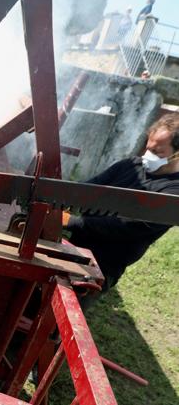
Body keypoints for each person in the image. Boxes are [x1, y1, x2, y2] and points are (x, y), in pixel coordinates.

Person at [64, 114, 179, 300]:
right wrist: (59, 196)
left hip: (101, 266)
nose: (148, 156)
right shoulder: (130, 166)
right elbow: (88, 189)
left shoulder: (172, 195)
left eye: (158, 153)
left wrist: (70, 221)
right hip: (74, 247)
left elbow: (125, 226)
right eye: (148, 148)